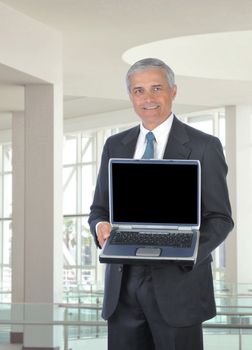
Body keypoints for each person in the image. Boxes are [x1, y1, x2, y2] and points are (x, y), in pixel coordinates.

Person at [88, 58, 234, 350]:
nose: (148, 98)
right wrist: (100, 226)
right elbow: (99, 211)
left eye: (157, 88)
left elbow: (220, 218)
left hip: (179, 286)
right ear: (131, 96)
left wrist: (187, 250)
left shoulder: (204, 145)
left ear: (173, 92)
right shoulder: (115, 146)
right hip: (124, 285)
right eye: (139, 90)